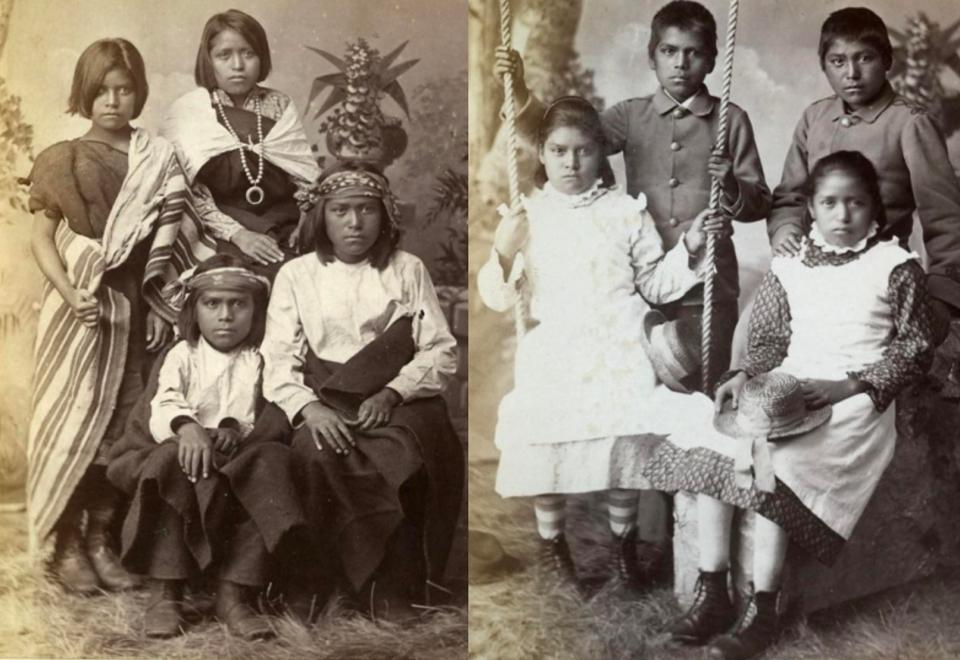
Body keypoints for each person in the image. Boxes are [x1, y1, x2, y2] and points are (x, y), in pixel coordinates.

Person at [493, 0, 771, 565]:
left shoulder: (729, 119)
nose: (681, 64)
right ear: (652, 57)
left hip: (700, 284)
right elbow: (568, 133)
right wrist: (519, 93)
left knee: (693, 407)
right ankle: (651, 542)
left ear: (712, 60)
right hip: (639, 290)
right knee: (635, 411)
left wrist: (732, 189)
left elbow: (760, 199)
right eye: (669, 52)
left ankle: (691, 542)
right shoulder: (628, 115)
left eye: (694, 54)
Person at [636, 151, 937, 660]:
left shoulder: (895, 266)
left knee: (777, 462)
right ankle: (713, 592)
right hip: (785, 386)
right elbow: (771, 338)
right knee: (721, 441)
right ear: (811, 211)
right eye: (830, 203)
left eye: (856, 203)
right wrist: (741, 375)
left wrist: (850, 386)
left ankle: (765, 606)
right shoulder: (791, 265)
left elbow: (915, 347)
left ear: (875, 210)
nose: (843, 216)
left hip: (855, 398)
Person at [477, 96, 725, 593]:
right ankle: (553, 548)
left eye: (585, 151)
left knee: (623, 443)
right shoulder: (528, 215)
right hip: (557, 345)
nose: (572, 163)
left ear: (601, 155)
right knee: (543, 436)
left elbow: (655, 284)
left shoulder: (624, 211)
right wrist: (504, 250)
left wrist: (692, 249)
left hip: (618, 342)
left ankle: (623, 548)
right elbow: (497, 297)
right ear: (542, 154)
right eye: (559, 150)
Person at [23, 37, 203, 594]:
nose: (113, 101)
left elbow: (174, 241)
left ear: (139, 94)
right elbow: (43, 238)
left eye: (124, 90)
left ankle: (102, 537)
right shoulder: (64, 158)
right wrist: (69, 292)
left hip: (137, 310)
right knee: (75, 419)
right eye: (101, 91)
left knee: (123, 426)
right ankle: (68, 544)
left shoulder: (158, 158)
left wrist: (160, 302)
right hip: (83, 309)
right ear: (84, 94)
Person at [261, 165, 464, 622]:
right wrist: (309, 408)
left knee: (403, 453)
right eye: (341, 211)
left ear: (385, 215)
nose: (355, 223)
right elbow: (277, 358)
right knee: (314, 455)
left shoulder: (406, 269)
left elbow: (440, 349)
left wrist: (392, 394)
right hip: (325, 394)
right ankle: (318, 580)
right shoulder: (297, 275)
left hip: (391, 395)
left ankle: (389, 583)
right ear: (321, 217)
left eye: (366, 210)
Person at [107, 255, 305, 640]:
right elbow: (164, 403)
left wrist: (233, 429)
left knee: (271, 464)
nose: (225, 315)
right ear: (194, 310)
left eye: (238, 304)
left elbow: (267, 413)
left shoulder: (263, 359)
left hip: (241, 458)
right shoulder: (182, 355)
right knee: (168, 460)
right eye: (212, 304)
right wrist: (188, 427)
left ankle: (235, 593)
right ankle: (166, 590)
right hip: (187, 455)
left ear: (255, 310)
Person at [768, 6, 960, 333]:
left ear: (887, 61)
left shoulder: (911, 123)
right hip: (812, 271)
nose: (851, 73)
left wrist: (941, 296)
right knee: (755, 340)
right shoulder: (814, 119)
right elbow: (790, 196)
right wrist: (785, 228)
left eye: (864, 58)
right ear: (824, 67)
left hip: (880, 277)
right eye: (838, 61)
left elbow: (944, 218)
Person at [162, 9, 322, 280]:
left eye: (248, 53)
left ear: (262, 57)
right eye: (225, 55)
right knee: (232, 280)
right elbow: (191, 189)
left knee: (304, 274)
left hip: (283, 221)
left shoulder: (279, 104)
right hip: (216, 227)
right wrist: (239, 234)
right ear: (209, 61)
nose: (238, 65)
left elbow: (304, 176)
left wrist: (304, 225)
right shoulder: (193, 110)